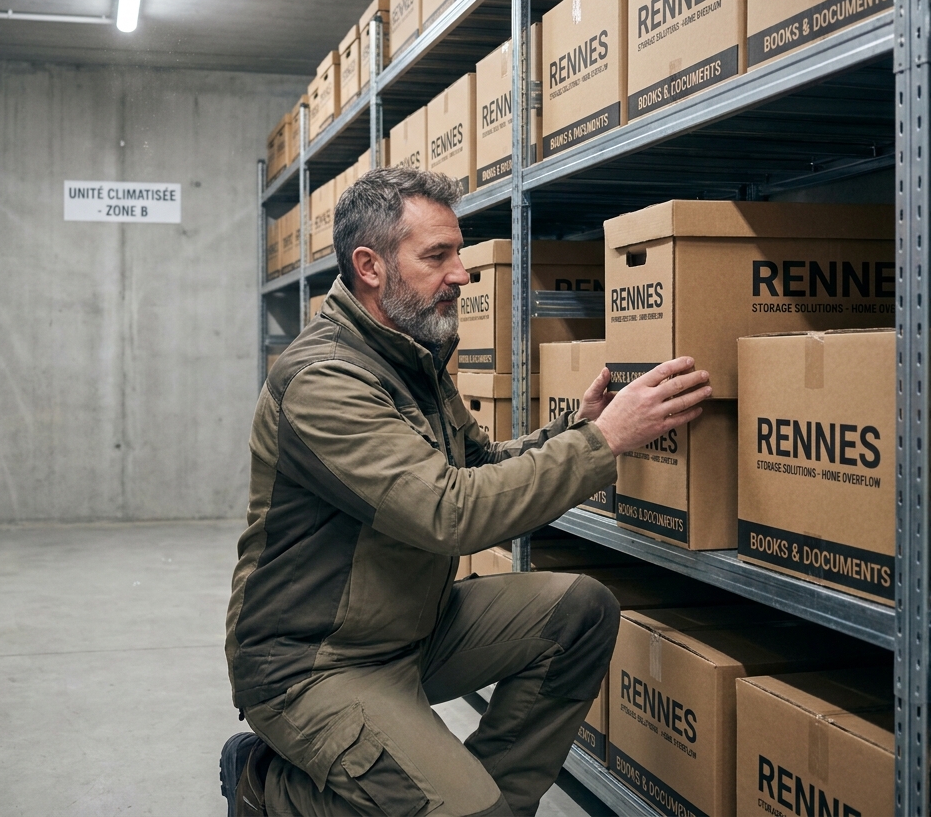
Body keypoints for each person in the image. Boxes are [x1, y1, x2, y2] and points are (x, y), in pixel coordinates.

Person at [222, 168, 713, 816]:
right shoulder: (324, 379)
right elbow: (448, 511)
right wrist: (605, 445)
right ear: (370, 266)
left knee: (579, 611)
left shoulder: (411, 351)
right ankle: (264, 781)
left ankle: (488, 805)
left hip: (410, 626)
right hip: (314, 660)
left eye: (461, 252)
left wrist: (578, 429)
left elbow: (478, 465)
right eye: (437, 256)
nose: (462, 272)